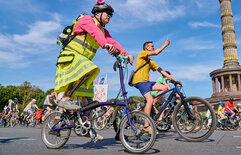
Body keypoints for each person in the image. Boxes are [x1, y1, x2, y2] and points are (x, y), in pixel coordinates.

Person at [55, 0, 133, 143]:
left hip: (82, 63)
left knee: (88, 100)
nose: (109, 16)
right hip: (71, 58)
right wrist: (105, 44)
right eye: (107, 13)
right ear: (98, 13)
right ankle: (65, 98)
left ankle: (88, 128)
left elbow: (113, 41)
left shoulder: (104, 31)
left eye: (111, 14)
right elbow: (95, 32)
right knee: (92, 69)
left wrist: (125, 53)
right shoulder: (86, 20)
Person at [132, 40, 179, 133]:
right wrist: (165, 45)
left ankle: (153, 102)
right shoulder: (142, 53)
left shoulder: (150, 62)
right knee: (149, 99)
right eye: (151, 46)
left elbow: (162, 71)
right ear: (146, 48)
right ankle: (146, 126)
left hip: (147, 82)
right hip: (140, 81)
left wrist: (174, 79)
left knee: (164, 88)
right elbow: (156, 52)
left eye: (153, 46)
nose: (153, 47)